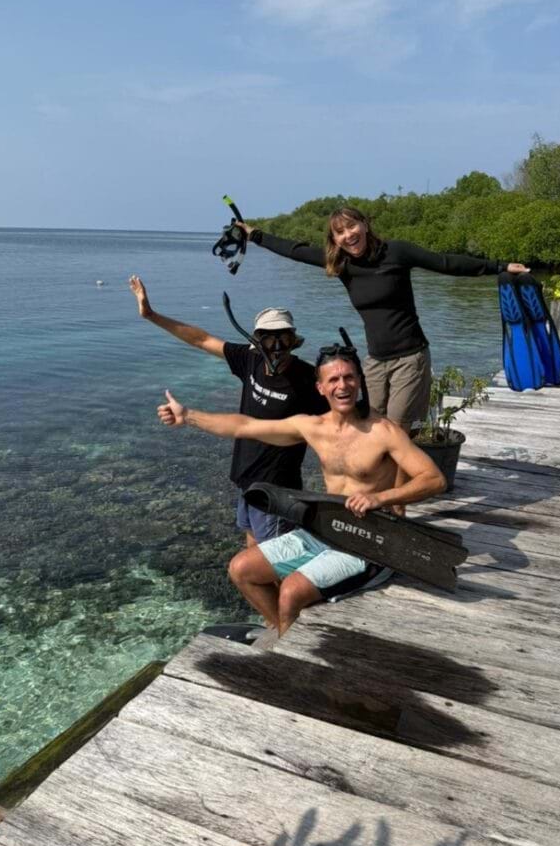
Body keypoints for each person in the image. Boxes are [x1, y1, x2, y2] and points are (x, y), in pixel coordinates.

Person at [157, 346, 446, 640]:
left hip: (369, 540)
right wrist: (188, 415)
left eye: (349, 377)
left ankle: (289, 645)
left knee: (291, 592)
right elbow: (245, 425)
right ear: (320, 388)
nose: (342, 386)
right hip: (327, 528)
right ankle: (288, 637)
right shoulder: (313, 427)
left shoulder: (383, 431)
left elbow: (434, 479)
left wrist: (380, 498)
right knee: (241, 569)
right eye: (333, 380)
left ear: (359, 380)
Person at [237, 207, 529, 431]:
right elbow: (295, 251)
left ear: (365, 225)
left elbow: (445, 263)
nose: (348, 235)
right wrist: (255, 235)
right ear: (334, 239)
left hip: (410, 357)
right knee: (370, 426)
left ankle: (400, 491)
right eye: (340, 232)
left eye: (352, 226)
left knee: (397, 430)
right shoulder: (341, 264)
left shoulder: (396, 252)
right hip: (375, 361)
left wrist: (500, 266)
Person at [129, 275, 327, 546]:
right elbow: (201, 339)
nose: (277, 348)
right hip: (246, 480)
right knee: (251, 549)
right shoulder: (250, 360)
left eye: (284, 339)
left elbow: (341, 420)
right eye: (269, 340)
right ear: (257, 342)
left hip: (278, 491)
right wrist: (151, 315)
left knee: (273, 561)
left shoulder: (308, 380)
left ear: (293, 341)